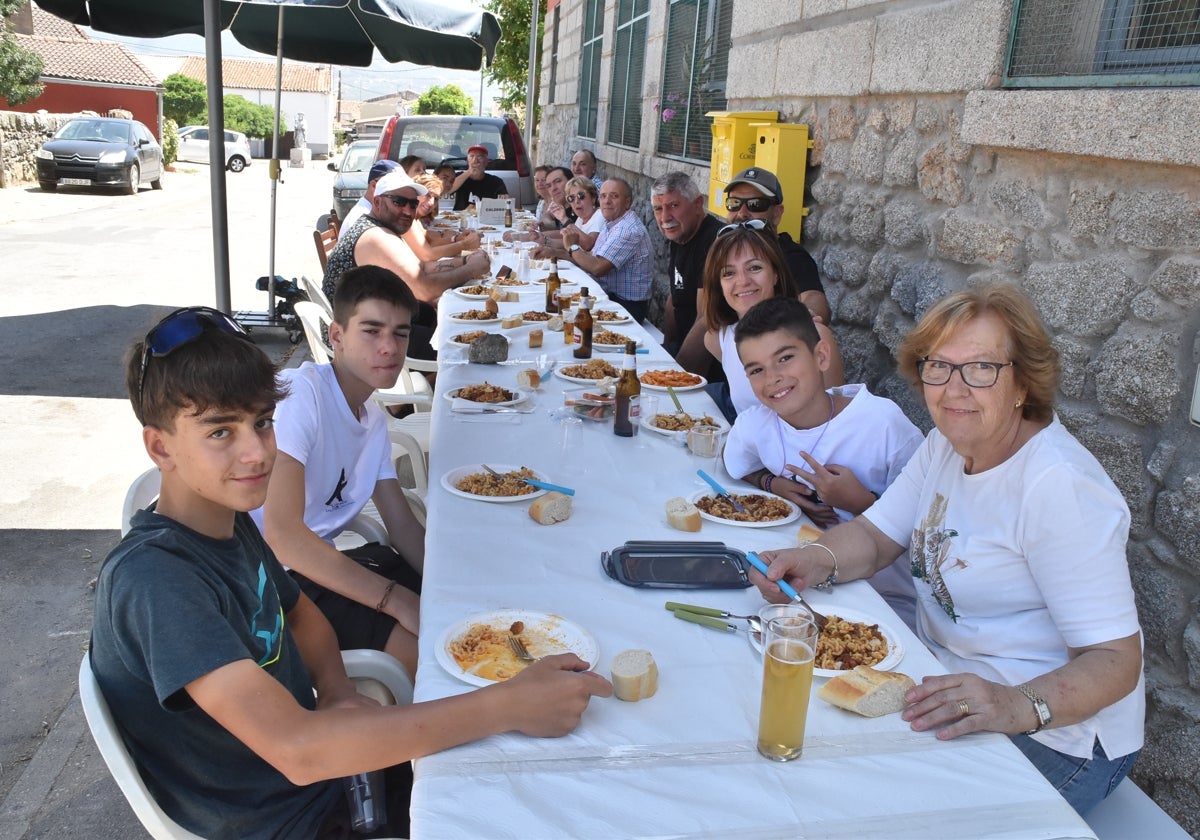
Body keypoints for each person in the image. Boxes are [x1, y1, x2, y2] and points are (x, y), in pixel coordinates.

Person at [92, 305, 612, 838]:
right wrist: (505, 706)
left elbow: (301, 615)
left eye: (263, 422)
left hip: (332, 772)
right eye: (220, 432)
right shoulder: (157, 581)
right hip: (289, 816)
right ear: (161, 447)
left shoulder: (227, 523)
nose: (257, 452)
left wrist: (337, 690)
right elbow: (298, 752)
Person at [755, 283, 1144, 816]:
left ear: (1023, 382)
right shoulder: (946, 443)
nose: (955, 388)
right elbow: (872, 537)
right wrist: (814, 559)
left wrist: (1014, 703)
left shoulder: (1059, 486)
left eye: (982, 367)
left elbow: (1116, 661)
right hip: (942, 681)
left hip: (1061, 735)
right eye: (938, 366)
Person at [256, 266, 427, 674]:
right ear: (337, 336)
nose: (389, 347)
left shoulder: (371, 418)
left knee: (453, 616)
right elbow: (283, 537)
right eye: (371, 331)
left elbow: (402, 526)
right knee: (424, 655)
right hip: (272, 583)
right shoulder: (303, 396)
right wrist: (396, 599)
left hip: (321, 566)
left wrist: (451, 589)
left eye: (400, 333)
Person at [725, 297, 923, 628]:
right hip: (802, 578)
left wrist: (860, 502)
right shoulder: (756, 424)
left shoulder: (883, 425)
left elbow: (924, 530)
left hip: (883, 598)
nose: (773, 378)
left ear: (821, 356)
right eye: (756, 370)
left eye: (785, 358)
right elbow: (734, 463)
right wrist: (774, 484)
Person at [324, 170, 490, 359]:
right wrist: (470, 270)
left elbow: (421, 267)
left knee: (454, 321)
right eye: (398, 201)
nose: (408, 210)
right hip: (361, 339)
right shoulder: (375, 237)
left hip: (379, 322)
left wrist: (465, 260)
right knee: (468, 348)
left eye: (413, 204)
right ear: (377, 202)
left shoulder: (381, 228)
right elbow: (424, 289)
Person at [701, 222, 845, 420]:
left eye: (754, 267)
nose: (742, 281)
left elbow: (836, 421)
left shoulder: (815, 335)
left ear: (775, 274)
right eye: (729, 273)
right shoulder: (718, 339)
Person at [537, 178, 654, 324]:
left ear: (628, 202)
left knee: (561, 315)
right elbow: (590, 257)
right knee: (549, 301)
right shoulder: (611, 221)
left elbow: (597, 267)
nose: (607, 201)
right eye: (604, 196)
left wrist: (573, 247)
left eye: (614, 196)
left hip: (625, 306)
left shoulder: (627, 229)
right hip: (607, 295)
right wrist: (551, 252)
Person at [724, 167, 832, 324]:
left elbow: (813, 297)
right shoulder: (722, 252)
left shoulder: (790, 256)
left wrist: (807, 316)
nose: (742, 213)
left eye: (755, 204)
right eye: (734, 203)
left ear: (777, 214)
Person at [651, 172, 723, 374]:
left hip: (707, 368)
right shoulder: (681, 235)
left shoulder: (714, 241)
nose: (665, 217)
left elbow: (706, 319)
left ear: (698, 204)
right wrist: (666, 348)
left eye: (674, 206)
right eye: (658, 208)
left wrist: (676, 375)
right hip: (680, 348)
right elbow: (674, 300)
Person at [405, 172, 482, 260]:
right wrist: (464, 244)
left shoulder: (415, 219)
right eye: (427, 195)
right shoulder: (406, 219)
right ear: (415, 193)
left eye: (436, 198)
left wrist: (457, 239)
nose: (432, 203)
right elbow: (428, 255)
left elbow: (430, 242)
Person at [337, 159, 398, 240]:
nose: (399, 192)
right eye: (393, 186)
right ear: (374, 185)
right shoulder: (362, 220)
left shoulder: (373, 211)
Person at [451, 144, 507, 211]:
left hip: (486, 217)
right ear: (467, 161)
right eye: (472, 156)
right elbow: (449, 189)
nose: (475, 160)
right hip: (460, 218)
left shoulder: (496, 181)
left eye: (480, 157)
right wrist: (469, 172)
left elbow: (505, 202)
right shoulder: (459, 176)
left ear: (486, 162)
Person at [538, 166, 576, 230]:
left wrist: (543, 236)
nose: (553, 188)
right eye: (549, 186)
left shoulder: (579, 207)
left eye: (558, 181)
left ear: (571, 182)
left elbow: (573, 234)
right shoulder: (561, 206)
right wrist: (543, 225)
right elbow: (547, 215)